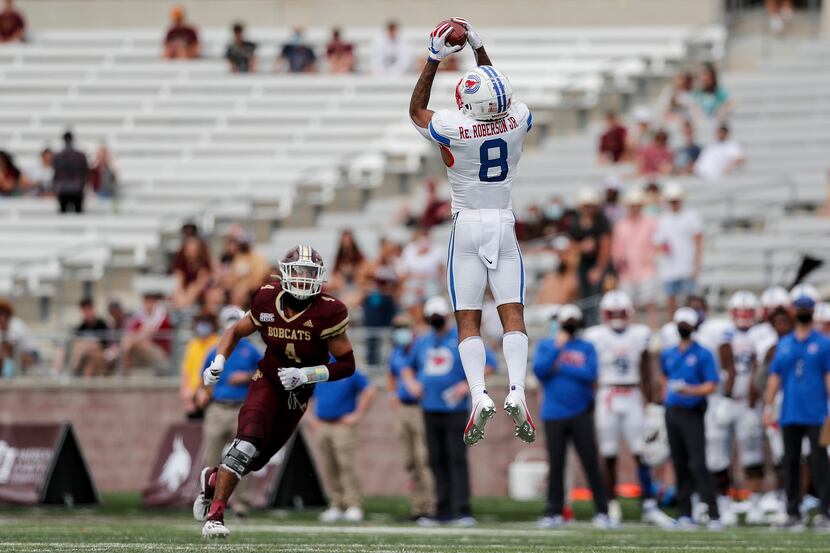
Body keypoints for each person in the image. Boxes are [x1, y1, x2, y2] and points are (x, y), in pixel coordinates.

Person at [409, 19, 535, 445]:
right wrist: (480, 48)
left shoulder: (454, 128)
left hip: (467, 226)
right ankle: (517, 389)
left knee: (468, 320)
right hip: (502, 222)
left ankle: (479, 394)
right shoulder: (517, 119)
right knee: (512, 313)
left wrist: (433, 58)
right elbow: (501, 92)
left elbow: (416, 111)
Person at [195, 245, 355, 538]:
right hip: (267, 379)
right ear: (285, 272)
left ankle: (214, 478)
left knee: (256, 461)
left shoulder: (329, 311)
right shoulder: (267, 297)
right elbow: (234, 331)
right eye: (299, 271)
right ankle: (215, 515)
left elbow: (347, 365)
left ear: (319, 277)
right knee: (246, 443)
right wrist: (219, 361)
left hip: (298, 391)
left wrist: (306, 374)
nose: (304, 278)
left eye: (310, 273)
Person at [404, 296, 497, 525]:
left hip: (454, 408)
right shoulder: (424, 341)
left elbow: (490, 364)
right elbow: (407, 366)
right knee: (436, 459)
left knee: (457, 458)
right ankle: (442, 508)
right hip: (430, 407)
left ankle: (462, 509)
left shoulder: (461, 339)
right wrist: (411, 383)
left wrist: (468, 384)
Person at [583, 291, 671, 526]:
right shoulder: (596, 336)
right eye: (613, 313)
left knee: (642, 452)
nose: (617, 317)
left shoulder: (639, 334)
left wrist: (652, 403)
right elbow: (591, 371)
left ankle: (649, 504)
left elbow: (645, 370)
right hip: (608, 395)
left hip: (632, 394)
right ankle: (610, 505)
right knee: (608, 453)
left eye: (621, 313)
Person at [533, 304, 613, 528]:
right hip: (553, 413)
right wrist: (558, 350)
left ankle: (602, 510)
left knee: (590, 463)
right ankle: (554, 511)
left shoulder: (586, 346)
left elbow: (590, 373)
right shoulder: (548, 345)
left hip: (580, 413)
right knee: (556, 464)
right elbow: (540, 370)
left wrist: (561, 366)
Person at [763, 285, 830, 530]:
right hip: (790, 411)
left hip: (817, 412)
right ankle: (792, 512)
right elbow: (774, 377)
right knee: (790, 462)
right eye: (799, 308)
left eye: (806, 308)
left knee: (820, 462)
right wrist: (768, 406)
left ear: (812, 311)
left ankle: (826, 512)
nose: (803, 312)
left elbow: (828, 377)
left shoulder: (823, 344)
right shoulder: (785, 343)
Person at [705, 291, 765, 526]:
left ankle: (755, 503)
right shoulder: (718, 331)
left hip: (748, 402)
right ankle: (724, 503)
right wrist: (719, 399)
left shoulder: (761, 333)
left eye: (747, 313)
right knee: (718, 455)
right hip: (723, 400)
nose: (743, 317)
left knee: (753, 454)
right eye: (739, 313)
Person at [659, 307, 722, 530]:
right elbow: (664, 377)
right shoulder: (668, 353)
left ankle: (713, 514)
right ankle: (685, 513)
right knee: (679, 463)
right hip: (673, 411)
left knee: (699, 463)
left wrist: (690, 391)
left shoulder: (703, 354)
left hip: (693, 411)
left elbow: (711, 384)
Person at [200, 306, 260, 518]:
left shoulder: (250, 350)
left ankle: (241, 504)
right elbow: (204, 378)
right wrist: (203, 393)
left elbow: (263, 374)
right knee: (212, 459)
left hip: (241, 407)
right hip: (218, 406)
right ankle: (210, 502)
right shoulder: (214, 349)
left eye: (236, 319)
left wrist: (248, 376)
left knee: (241, 458)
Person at [309, 368, 376, 523]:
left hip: (343, 425)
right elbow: (305, 394)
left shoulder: (350, 370)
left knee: (347, 466)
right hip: (322, 424)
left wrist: (358, 415)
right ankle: (336, 504)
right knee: (329, 466)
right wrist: (311, 418)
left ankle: (353, 504)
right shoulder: (317, 369)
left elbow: (369, 390)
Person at [387, 315, 435, 520]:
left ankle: (431, 507)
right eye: (397, 327)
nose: (401, 331)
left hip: (420, 408)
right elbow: (392, 373)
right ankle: (418, 507)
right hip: (403, 409)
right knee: (410, 461)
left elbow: (420, 379)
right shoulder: (397, 351)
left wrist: (410, 380)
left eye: (404, 327)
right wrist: (393, 394)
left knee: (424, 459)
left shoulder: (420, 348)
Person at [652, 183, 702, 316]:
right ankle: (673, 327)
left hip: (686, 266)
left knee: (689, 301)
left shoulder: (691, 216)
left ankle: (691, 325)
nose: (674, 204)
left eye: (676, 200)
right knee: (671, 300)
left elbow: (698, 242)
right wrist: (664, 248)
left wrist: (696, 266)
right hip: (669, 268)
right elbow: (657, 242)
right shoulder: (663, 219)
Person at [611, 188, 658, 328]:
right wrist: (619, 260)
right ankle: (633, 329)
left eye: (636, 205)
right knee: (630, 305)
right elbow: (616, 247)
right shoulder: (621, 225)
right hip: (627, 271)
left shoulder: (651, 222)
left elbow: (657, 243)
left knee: (650, 302)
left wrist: (651, 256)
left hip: (646, 268)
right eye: (632, 205)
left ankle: (653, 329)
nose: (634, 208)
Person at [569, 188, 611, 326]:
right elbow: (573, 245)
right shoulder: (576, 221)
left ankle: (596, 324)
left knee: (596, 295)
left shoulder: (601, 221)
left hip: (597, 264)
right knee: (584, 296)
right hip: (583, 264)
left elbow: (605, 246)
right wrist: (583, 246)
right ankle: (588, 324)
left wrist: (599, 268)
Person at [179, 311, 220, 420]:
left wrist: (202, 392)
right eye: (200, 322)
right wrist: (186, 391)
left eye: (206, 322)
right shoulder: (193, 344)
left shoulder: (218, 343)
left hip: (210, 396)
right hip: (193, 397)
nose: (202, 326)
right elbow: (186, 370)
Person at [120, 292, 173, 374]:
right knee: (128, 340)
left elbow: (151, 334)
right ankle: (125, 363)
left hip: (161, 353)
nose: (147, 304)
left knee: (135, 342)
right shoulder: (140, 316)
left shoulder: (162, 316)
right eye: (145, 300)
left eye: (149, 300)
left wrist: (139, 335)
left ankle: (125, 364)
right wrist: (140, 335)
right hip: (142, 348)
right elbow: (130, 332)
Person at [219, 227, 269, 308]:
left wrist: (244, 286)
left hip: (253, 289)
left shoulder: (258, 257)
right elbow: (233, 275)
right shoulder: (239, 257)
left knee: (239, 293)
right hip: (237, 288)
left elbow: (258, 278)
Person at [69, 298, 111, 378]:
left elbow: (104, 344)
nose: (87, 313)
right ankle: (73, 372)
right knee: (89, 365)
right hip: (87, 356)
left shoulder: (102, 324)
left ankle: (72, 371)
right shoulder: (81, 327)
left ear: (93, 309)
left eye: (88, 309)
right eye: (84, 310)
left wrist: (88, 344)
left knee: (89, 349)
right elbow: (75, 341)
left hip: (101, 356)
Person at [171, 235, 213, 310]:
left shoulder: (203, 262)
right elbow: (179, 280)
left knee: (192, 287)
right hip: (186, 290)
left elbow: (200, 283)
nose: (192, 252)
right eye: (189, 250)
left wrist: (186, 299)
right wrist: (181, 294)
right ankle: (182, 308)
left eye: (194, 250)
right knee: (176, 294)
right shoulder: (181, 261)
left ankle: (184, 308)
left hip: (201, 289)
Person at [52, 131, 89, 213]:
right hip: (77, 188)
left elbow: (56, 174)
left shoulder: (58, 156)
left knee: (63, 216)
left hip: (63, 189)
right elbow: (85, 173)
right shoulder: (80, 155)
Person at [0, 298, 38, 377]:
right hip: (12, 355)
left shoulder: (17, 325)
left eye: (2, 313)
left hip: (30, 354)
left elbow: (14, 347)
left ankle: (10, 375)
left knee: (8, 354)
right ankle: (7, 374)